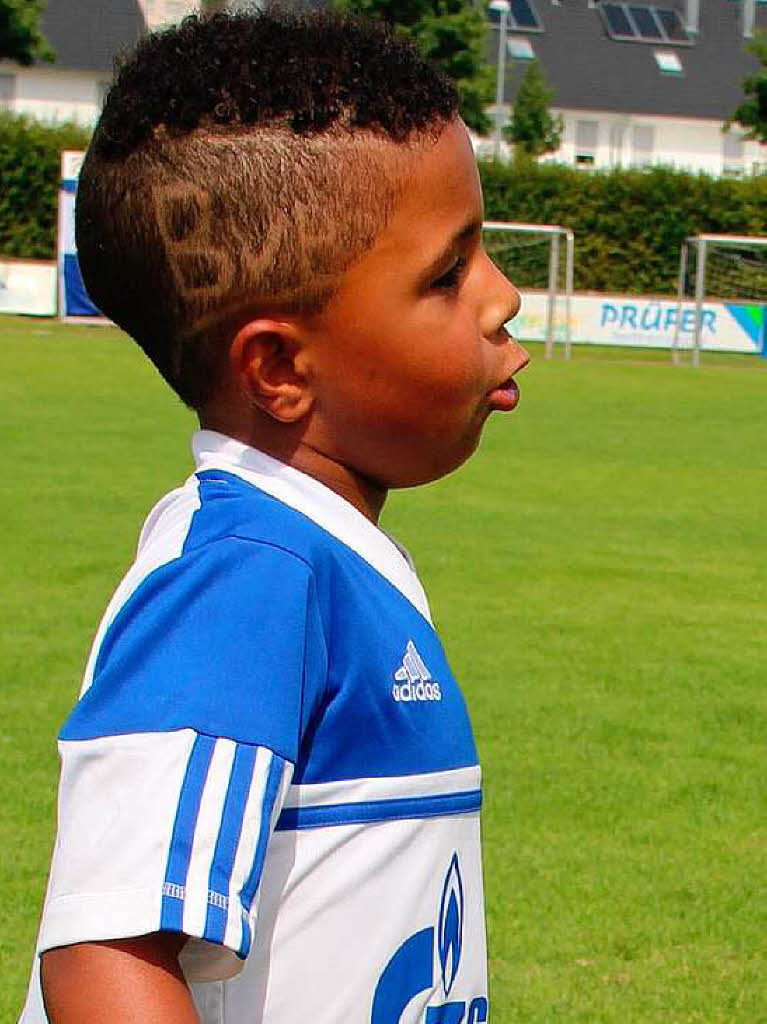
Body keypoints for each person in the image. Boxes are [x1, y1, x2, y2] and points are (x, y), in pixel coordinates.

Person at [20, 9, 528, 1023]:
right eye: (447, 272)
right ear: (280, 368)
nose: (501, 298)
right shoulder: (245, 578)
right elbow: (104, 956)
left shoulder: (314, 557)